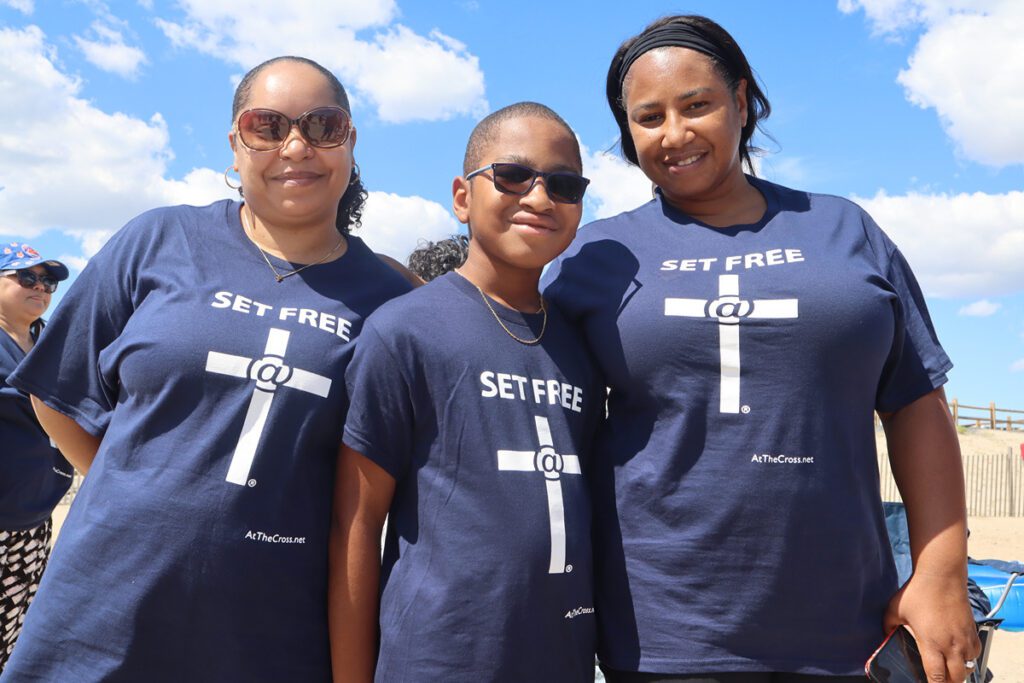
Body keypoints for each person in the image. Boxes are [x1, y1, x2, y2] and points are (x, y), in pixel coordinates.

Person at [542, 15, 980, 683]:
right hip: (664, 635)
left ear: (741, 103)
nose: (675, 133)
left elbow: (916, 401)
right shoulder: (595, 257)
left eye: (697, 105)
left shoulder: (845, 230)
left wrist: (942, 569)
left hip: (849, 631)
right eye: (649, 116)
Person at [2, 57, 411, 682]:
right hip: (101, 613)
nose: (295, 146)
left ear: (350, 142)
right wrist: (134, 491)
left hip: (267, 632)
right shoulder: (157, 240)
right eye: (267, 126)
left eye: (323, 126)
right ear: (235, 142)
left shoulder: (386, 301)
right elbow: (57, 393)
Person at [329, 102, 600, 682]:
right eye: (512, 176)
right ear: (462, 196)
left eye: (564, 184)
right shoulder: (405, 330)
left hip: (563, 660)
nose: (538, 197)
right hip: (438, 661)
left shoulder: (584, 345)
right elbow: (355, 524)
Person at [0, 245, 73, 671]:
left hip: (34, 521)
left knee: (17, 634)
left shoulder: (54, 342)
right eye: (26, 277)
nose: (41, 288)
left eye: (48, 282)